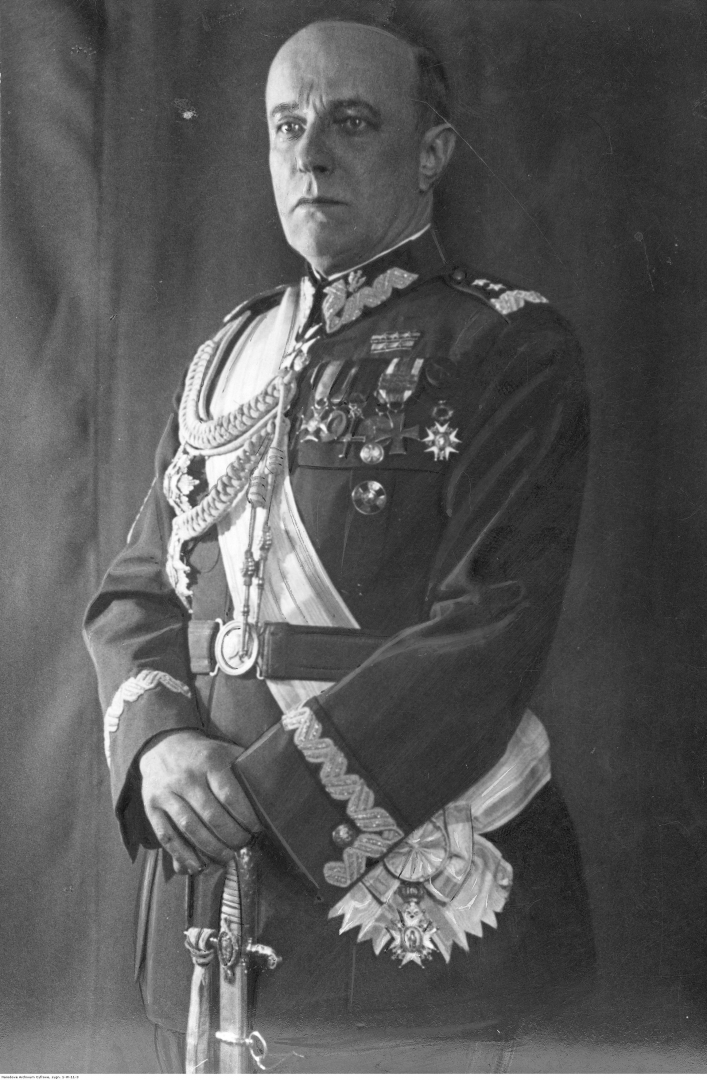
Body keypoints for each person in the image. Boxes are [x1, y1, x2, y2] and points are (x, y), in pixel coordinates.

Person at [85, 18, 595, 1073]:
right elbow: (138, 592)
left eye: (351, 123)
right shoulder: (229, 353)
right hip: (203, 900)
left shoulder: (503, 343)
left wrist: (261, 800)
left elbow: (489, 630)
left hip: (405, 914)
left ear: (431, 152)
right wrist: (160, 746)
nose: (310, 155)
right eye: (287, 126)